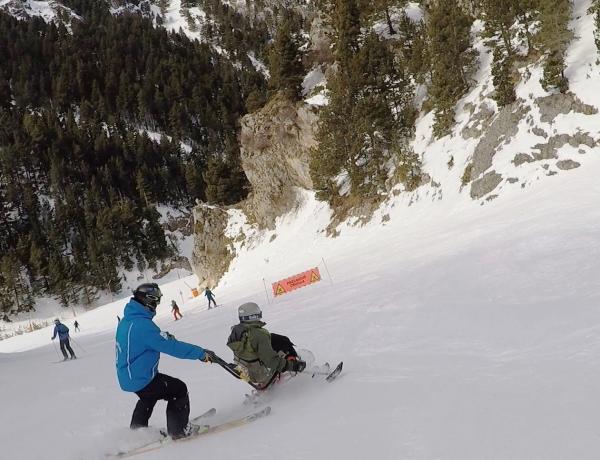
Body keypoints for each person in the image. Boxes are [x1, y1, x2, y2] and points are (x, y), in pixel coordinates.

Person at [115, 283, 216, 440]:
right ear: (147, 301)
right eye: (155, 302)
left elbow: (145, 340)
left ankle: (137, 432)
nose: (156, 305)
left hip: (129, 376)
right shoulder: (142, 325)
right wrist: (200, 354)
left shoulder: (128, 320)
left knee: (148, 396)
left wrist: (162, 336)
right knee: (178, 389)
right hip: (141, 377)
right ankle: (179, 430)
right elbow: (171, 347)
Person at [226, 302, 306, 389]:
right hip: (260, 373)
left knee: (281, 340)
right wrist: (293, 366)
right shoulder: (259, 335)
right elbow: (271, 361)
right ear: (253, 316)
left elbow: (251, 344)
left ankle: (291, 358)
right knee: (280, 348)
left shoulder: (237, 330)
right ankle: (292, 362)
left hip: (246, 367)